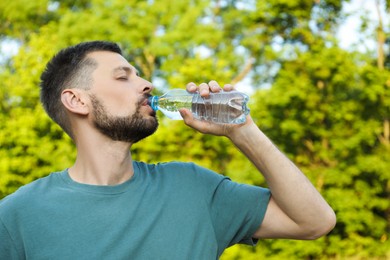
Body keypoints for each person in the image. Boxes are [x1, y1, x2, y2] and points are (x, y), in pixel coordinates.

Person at [0, 41, 336, 259]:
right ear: (76, 100)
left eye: (141, 74)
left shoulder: (193, 188)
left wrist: (243, 131)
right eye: (123, 77)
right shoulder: (16, 217)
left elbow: (314, 222)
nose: (147, 84)